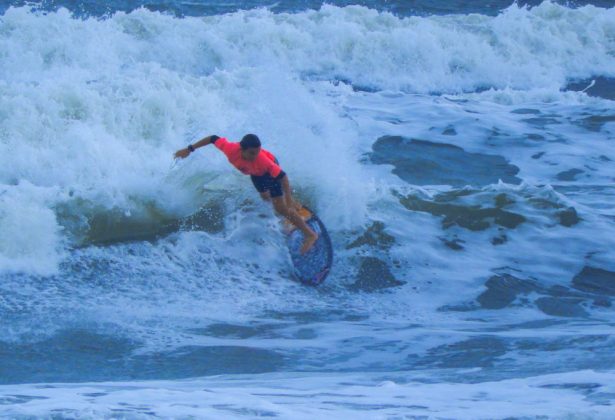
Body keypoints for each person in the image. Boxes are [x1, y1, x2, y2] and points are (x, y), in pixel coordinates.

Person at [174, 134, 319, 254]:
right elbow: (212, 138)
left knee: (280, 207)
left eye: (257, 152)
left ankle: (310, 234)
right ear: (241, 149)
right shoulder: (230, 149)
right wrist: (189, 149)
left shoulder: (263, 161)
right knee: (265, 199)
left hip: (269, 173)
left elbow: (283, 176)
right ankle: (287, 216)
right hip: (255, 174)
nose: (255, 155)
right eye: (251, 153)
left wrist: (289, 199)